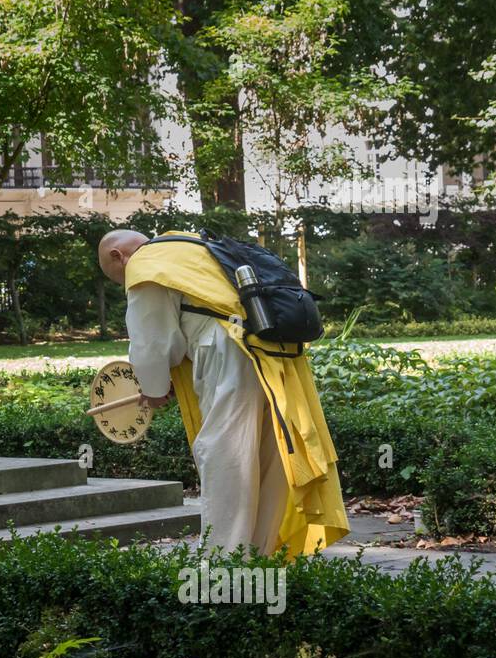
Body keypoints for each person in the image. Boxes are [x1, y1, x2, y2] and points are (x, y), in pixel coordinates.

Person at [98, 228, 348, 556]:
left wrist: (154, 389)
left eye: (118, 278)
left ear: (118, 256)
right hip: (271, 351)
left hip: (229, 352)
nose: (126, 283)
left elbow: (154, 342)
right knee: (268, 455)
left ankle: (224, 561)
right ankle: (261, 553)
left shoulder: (146, 263)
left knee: (226, 455)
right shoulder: (190, 245)